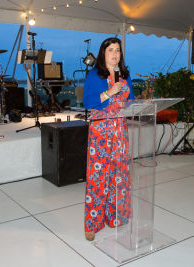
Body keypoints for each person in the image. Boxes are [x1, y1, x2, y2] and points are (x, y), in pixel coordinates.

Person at [83, 37, 134, 241]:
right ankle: (92, 223)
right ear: (103, 53)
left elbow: (131, 102)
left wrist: (135, 104)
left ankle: (116, 218)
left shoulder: (125, 76)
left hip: (120, 132)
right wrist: (109, 92)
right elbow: (87, 101)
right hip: (100, 133)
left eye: (118, 50)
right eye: (111, 50)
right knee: (98, 178)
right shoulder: (95, 75)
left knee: (118, 176)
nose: (115, 54)